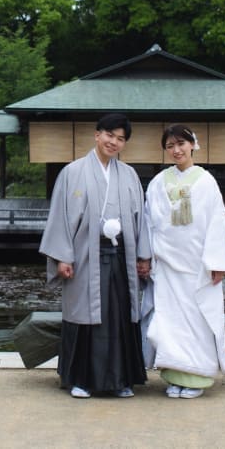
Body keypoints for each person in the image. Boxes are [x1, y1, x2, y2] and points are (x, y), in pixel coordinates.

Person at [38, 113, 149, 399]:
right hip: (85, 255)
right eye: (109, 135)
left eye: (120, 138)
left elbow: (141, 221)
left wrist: (143, 255)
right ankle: (81, 380)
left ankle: (122, 379)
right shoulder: (72, 172)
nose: (114, 142)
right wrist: (63, 257)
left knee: (121, 315)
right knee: (84, 316)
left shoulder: (129, 175)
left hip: (121, 255)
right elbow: (60, 218)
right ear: (97, 135)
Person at [143, 124, 225, 399]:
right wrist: (147, 255)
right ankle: (174, 376)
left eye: (181, 143)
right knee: (170, 321)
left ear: (193, 144)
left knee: (198, 320)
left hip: (197, 266)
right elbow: (148, 221)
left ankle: (197, 378)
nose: (176, 150)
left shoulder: (206, 181)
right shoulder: (158, 182)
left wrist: (217, 262)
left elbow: (217, 222)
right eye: (170, 146)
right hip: (167, 264)